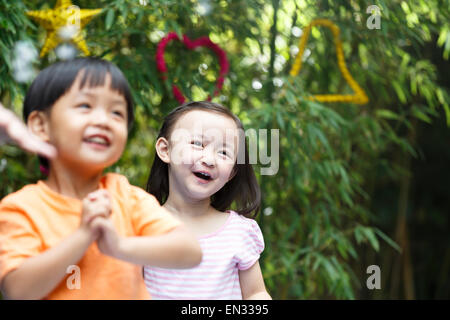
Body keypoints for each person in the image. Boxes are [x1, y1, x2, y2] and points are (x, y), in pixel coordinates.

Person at [0, 58, 202, 300]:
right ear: (41, 126)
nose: (103, 121)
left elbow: (190, 251)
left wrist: (118, 246)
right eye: (85, 106)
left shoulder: (126, 196)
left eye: (116, 112)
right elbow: (17, 290)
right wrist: (83, 236)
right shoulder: (21, 207)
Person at [144, 101, 271, 300]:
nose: (209, 160)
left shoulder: (238, 231)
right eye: (197, 143)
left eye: (224, 152)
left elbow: (256, 294)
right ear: (165, 150)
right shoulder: (142, 226)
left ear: (232, 173)